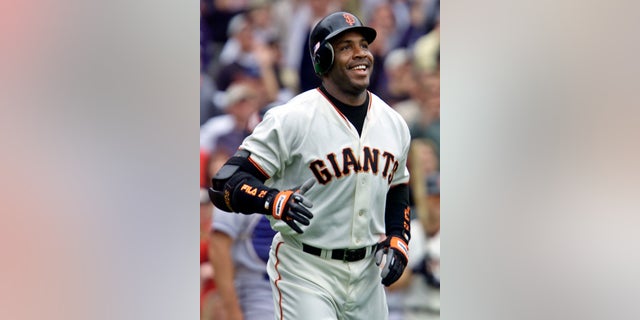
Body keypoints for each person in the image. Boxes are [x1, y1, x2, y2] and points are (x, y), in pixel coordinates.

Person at [208, 11, 412, 320]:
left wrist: (398, 238)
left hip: (367, 274)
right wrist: (273, 200)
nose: (360, 54)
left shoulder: (394, 123)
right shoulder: (292, 117)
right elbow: (224, 184)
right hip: (306, 268)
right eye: (345, 47)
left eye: (363, 45)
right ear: (323, 59)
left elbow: (398, 188)